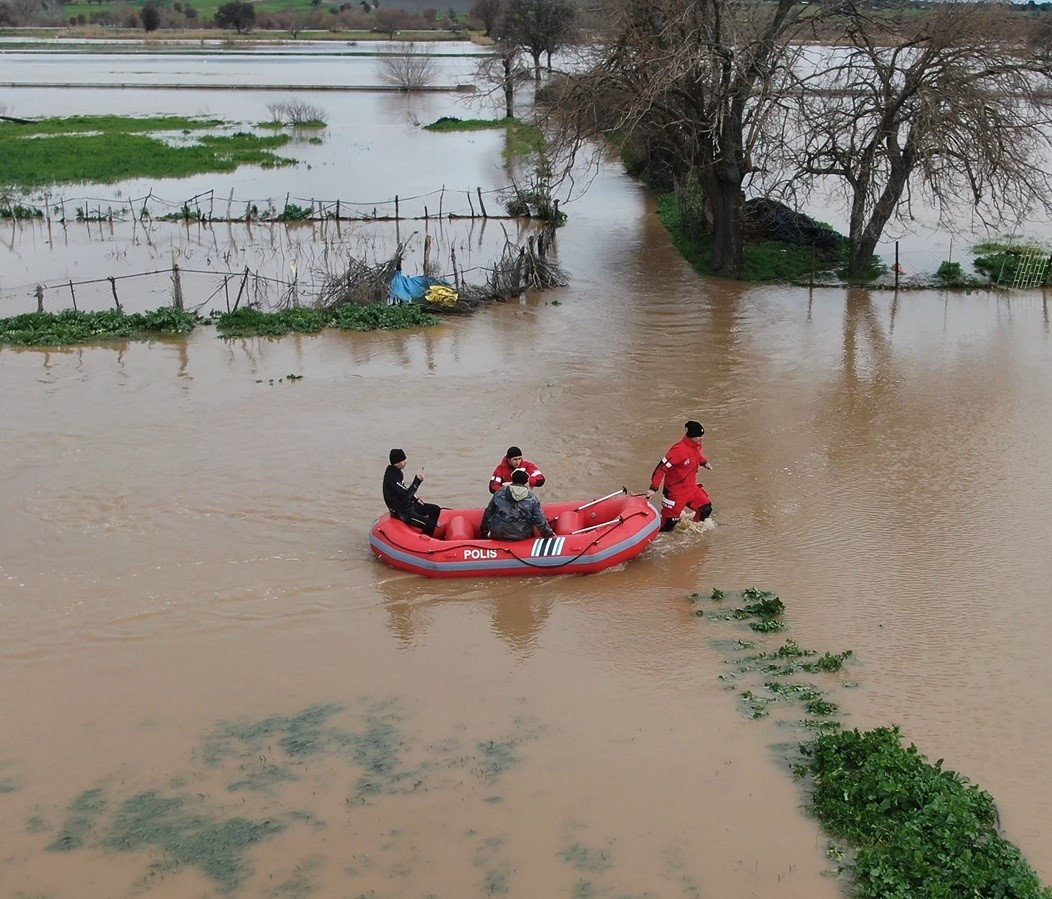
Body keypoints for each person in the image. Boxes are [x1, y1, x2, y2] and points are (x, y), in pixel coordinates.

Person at [646, 420, 714, 532]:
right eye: (698, 436)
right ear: (691, 436)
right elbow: (660, 469)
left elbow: (697, 456)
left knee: (705, 508)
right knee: (669, 524)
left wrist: (704, 462)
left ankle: (692, 532)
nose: (701, 439)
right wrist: (653, 488)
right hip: (676, 492)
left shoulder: (696, 445)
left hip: (691, 488)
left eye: (702, 436)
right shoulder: (678, 451)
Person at [482, 469, 555, 541]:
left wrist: (484, 531)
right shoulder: (531, 498)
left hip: (498, 533)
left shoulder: (499, 493)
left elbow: (489, 511)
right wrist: (549, 534)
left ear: (512, 480)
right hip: (521, 535)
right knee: (533, 520)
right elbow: (540, 520)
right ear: (526, 482)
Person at [383, 448, 441, 537]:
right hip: (401, 512)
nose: (406, 462)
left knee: (435, 509)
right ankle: (425, 544)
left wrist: (415, 499)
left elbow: (403, 490)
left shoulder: (398, 473)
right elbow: (405, 495)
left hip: (408, 505)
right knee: (429, 524)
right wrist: (417, 481)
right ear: (397, 462)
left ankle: (430, 535)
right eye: (403, 460)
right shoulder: (392, 477)